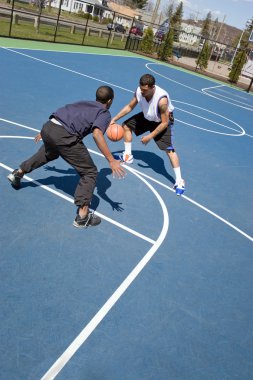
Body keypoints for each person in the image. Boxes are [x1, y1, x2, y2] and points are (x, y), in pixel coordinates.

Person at [8, 86, 126, 228]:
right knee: (89, 172)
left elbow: (61, 113)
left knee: (48, 153)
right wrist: (111, 160)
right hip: (64, 135)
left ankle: (19, 173)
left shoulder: (83, 103)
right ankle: (83, 217)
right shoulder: (104, 112)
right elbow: (97, 133)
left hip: (50, 126)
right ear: (110, 100)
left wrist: (47, 133)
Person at [110, 74, 185, 195]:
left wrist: (150, 137)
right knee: (126, 126)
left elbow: (165, 123)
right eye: (141, 89)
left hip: (161, 122)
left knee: (169, 150)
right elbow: (130, 106)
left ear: (152, 87)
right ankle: (128, 156)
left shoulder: (162, 101)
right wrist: (115, 119)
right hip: (148, 117)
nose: (142, 92)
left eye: (145, 90)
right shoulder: (139, 91)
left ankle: (179, 180)